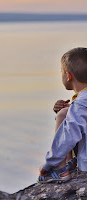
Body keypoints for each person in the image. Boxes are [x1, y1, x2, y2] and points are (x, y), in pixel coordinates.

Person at [38, 47, 87, 183]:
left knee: (67, 120)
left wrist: (50, 162)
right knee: (64, 113)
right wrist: (67, 110)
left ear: (68, 76)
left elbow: (69, 134)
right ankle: (69, 162)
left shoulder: (82, 103)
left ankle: (60, 168)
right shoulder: (81, 101)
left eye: (61, 71)